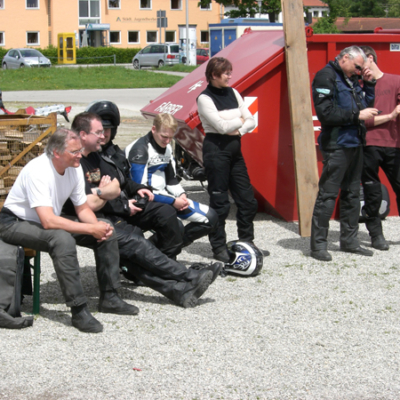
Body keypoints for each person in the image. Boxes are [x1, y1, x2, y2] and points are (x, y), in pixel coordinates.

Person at [68, 112, 223, 308]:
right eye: (98, 132)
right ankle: (188, 276)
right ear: (83, 134)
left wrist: (112, 192)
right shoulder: (74, 162)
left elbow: (118, 183)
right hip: (83, 220)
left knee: (144, 237)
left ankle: (179, 290)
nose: (104, 135)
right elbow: (86, 203)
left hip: (106, 214)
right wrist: (108, 195)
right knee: (134, 244)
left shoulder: (95, 156)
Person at [0, 128, 139, 334]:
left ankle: (110, 297)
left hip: (45, 219)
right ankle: (79, 309)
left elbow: (82, 208)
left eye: (80, 150)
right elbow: (48, 221)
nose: (79, 155)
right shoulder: (38, 170)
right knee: (62, 239)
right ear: (56, 152)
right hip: (14, 223)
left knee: (106, 230)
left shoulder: (73, 168)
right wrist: (90, 228)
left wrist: (97, 228)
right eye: (74, 151)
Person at [86, 100, 184, 259]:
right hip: (111, 213)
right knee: (135, 236)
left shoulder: (115, 153)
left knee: (168, 215)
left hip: (128, 205)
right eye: (99, 131)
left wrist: (138, 188)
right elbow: (96, 197)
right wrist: (124, 206)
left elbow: (124, 180)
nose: (103, 134)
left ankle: (165, 262)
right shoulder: (90, 159)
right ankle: (143, 266)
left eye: (108, 130)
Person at [310, 46, 379, 262]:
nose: (359, 71)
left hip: (355, 143)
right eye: (358, 67)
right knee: (328, 196)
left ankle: (349, 241)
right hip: (337, 144)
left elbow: (364, 106)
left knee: (351, 194)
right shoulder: (326, 76)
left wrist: (368, 85)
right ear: (345, 58)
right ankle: (318, 245)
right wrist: (357, 114)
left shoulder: (350, 78)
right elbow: (326, 113)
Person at [196, 57, 259, 263]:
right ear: (214, 75)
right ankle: (219, 247)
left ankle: (246, 244)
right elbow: (221, 128)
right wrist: (239, 121)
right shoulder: (204, 98)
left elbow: (251, 119)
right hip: (215, 152)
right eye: (226, 73)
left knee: (248, 201)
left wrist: (238, 129)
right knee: (220, 204)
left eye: (230, 72)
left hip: (234, 152)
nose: (230, 76)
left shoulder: (233, 92)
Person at [125, 113, 218, 249]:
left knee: (211, 218)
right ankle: (151, 254)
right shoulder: (140, 149)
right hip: (145, 202)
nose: (167, 141)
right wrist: (173, 201)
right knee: (175, 227)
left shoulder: (167, 147)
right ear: (153, 129)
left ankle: (160, 250)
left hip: (165, 197)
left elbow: (171, 179)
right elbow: (141, 190)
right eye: (164, 136)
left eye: (171, 137)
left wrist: (181, 195)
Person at [359, 45, 400, 251]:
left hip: (394, 145)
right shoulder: (359, 88)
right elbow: (363, 122)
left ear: (371, 58)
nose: (360, 68)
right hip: (369, 146)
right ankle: (376, 235)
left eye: (362, 62)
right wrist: (391, 116)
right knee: (372, 192)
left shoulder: (395, 80)